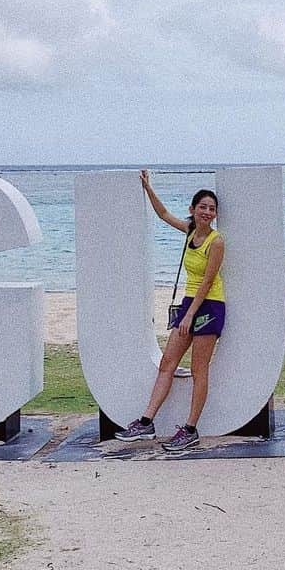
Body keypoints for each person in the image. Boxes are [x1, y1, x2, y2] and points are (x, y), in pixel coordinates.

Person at [115, 172, 225, 452]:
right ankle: (145, 422)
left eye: (212, 209)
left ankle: (190, 430)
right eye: (203, 207)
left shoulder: (217, 241)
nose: (207, 212)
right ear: (193, 210)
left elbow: (209, 281)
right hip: (190, 303)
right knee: (167, 363)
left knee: (199, 370)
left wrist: (189, 316)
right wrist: (148, 187)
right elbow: (163, 214)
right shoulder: (189, 231)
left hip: (210, 306)